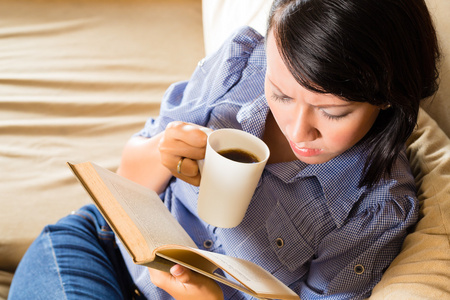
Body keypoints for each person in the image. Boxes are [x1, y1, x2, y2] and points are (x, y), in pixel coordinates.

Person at [9, 0, 440, 299]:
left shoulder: (374, 208)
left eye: (332, 112)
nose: (297, 129)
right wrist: (164, 149)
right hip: (102, 250)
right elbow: (125, 185)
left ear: (387, 98)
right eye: (281, 93)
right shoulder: (240, 65)